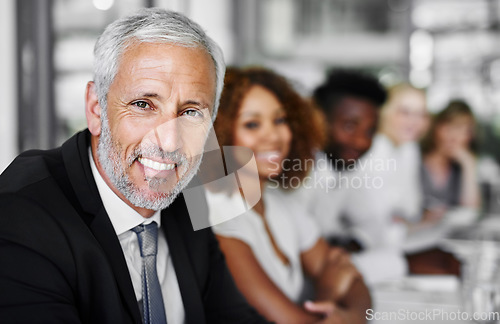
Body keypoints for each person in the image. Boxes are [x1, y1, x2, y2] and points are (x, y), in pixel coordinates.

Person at [0, 9, 269, 324]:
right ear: (95, 108)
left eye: (191, 112)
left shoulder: (186, 202)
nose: (170, 143)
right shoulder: (21, 215)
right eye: (143, 105)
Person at [205, 67, 371, 324]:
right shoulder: (214, 217)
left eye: (280, 120)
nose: (273, 135)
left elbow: (352, 278)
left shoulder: (283, 204)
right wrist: (327, 293)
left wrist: (350, 316)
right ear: (219, 132)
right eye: (252, 124)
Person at [420, 100, 480, 219]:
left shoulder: (460, 171)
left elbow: (471, 214)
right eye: (449, 126)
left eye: (463, 130)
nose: (454, 136)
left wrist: (469, 166)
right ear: (436, 128)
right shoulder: (414, 161)